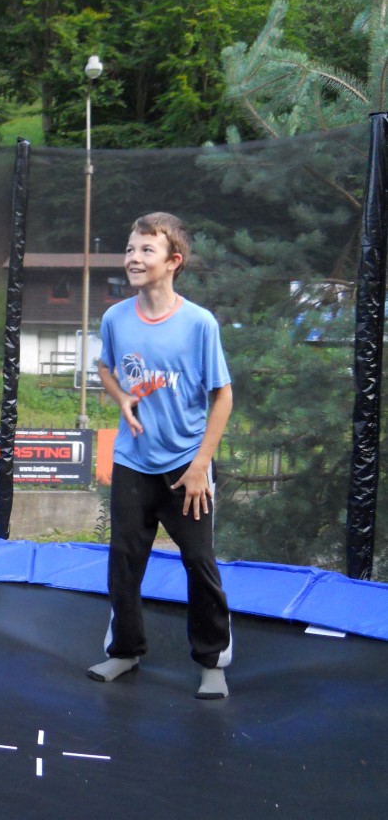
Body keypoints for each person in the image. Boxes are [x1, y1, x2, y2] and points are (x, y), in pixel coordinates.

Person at [89, 212, 233, 699]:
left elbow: (223, 396)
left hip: (186, 465)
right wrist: (121, 398)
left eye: (146, 250)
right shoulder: (116, 318)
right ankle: (125, 651)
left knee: (199, 561)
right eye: (130, 249)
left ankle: (212, 661)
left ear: (173, 261)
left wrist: (199, 467)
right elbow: (106, 368)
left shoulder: (198, 324)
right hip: (133, 461)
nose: (133, 258)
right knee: (124, 561)